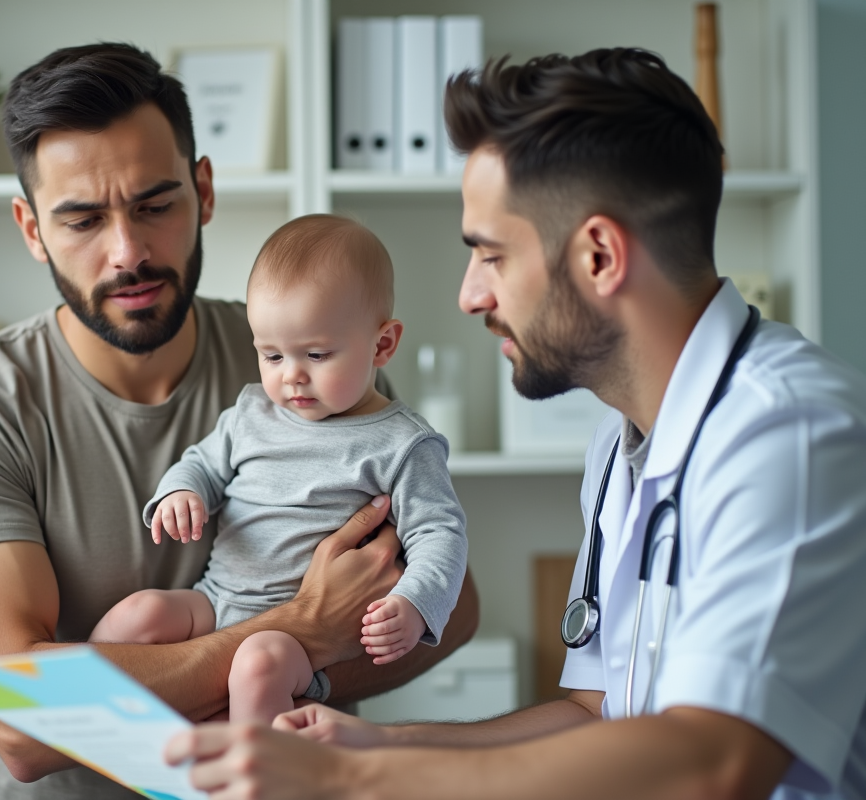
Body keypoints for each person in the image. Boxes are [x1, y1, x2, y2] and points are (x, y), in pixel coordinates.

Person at [165, 48, 866, 800]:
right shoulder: (620, 444)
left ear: (599, 255)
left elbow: (713, 761)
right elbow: (596, 715)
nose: (470, 295)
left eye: (490, 256)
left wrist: (356, 777)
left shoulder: (786, 435)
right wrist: (379, 741)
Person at [0, 43, 479, 799]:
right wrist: (306, 630)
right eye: (81, 220)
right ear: (32, 227)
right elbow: (23, 725)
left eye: (155, 204)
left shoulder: (317, 353)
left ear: (204, 191)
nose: (128, 252)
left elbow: (453, 609)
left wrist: (116, 692)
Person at [90, 215, 468, 724]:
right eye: (271, 355)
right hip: (216, 603)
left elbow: (440, 532)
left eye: (316, 353)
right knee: (139, 615)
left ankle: (253, 777)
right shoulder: (250, 414)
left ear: (383, 344)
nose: (291, 376)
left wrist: (415, 602)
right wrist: (181, 492)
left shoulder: (404, 443)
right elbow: (201, 463)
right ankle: (86, 721)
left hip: (298, 642)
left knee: (258, 666)